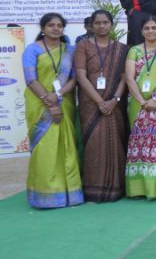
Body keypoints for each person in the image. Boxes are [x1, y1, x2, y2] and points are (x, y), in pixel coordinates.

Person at [23, 13, 83, 208]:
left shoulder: (70, 50)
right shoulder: (32, 49)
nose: (55, 28)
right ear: (43, 29)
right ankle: (45, 196)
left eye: (59, 25)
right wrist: (49, 103)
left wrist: (57, 96)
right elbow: (30, 79)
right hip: (39, 105)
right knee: (45, 149)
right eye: (51, 25)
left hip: (64, 101)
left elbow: (74, 78)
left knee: (67, 147)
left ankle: (70, 194)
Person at [74, 10, 127, 203]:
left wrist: (115, 99)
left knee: (115, 143)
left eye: (105, 22)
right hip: (91, 104)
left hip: (114, 104)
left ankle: (116, 189)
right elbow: (81, 76)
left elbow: (124, 78)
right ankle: (93, 189)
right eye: (97, 23)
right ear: (91, 25)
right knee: (93, 145)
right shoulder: (83, 46)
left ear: (111, 25)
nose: (102, 26)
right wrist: (99, 101)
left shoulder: (121, 48)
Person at [124, 15, 156, 199]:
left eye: (154, 28)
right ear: (141, 31)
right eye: (147, 28)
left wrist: (155, 99)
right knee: (139, 144)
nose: (151, 31)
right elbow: (129, 78)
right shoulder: (134, 51)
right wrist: (142, 101)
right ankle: (139, 188)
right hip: (139, 104)